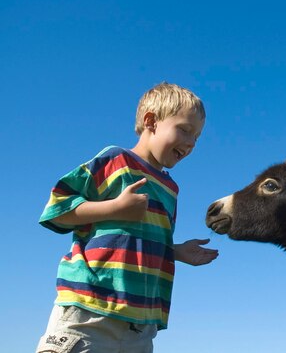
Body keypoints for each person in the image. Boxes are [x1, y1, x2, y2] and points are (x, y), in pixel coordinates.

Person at [36, 82, 219, 353]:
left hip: (140, 325)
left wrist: (175, 252)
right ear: (151, 121)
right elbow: (56, 209)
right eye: (184, 130)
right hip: (90, 313)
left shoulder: (171, 189)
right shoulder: (115, 160)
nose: (191, 143)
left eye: (197, 137)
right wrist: (114, 208)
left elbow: (137, 239)